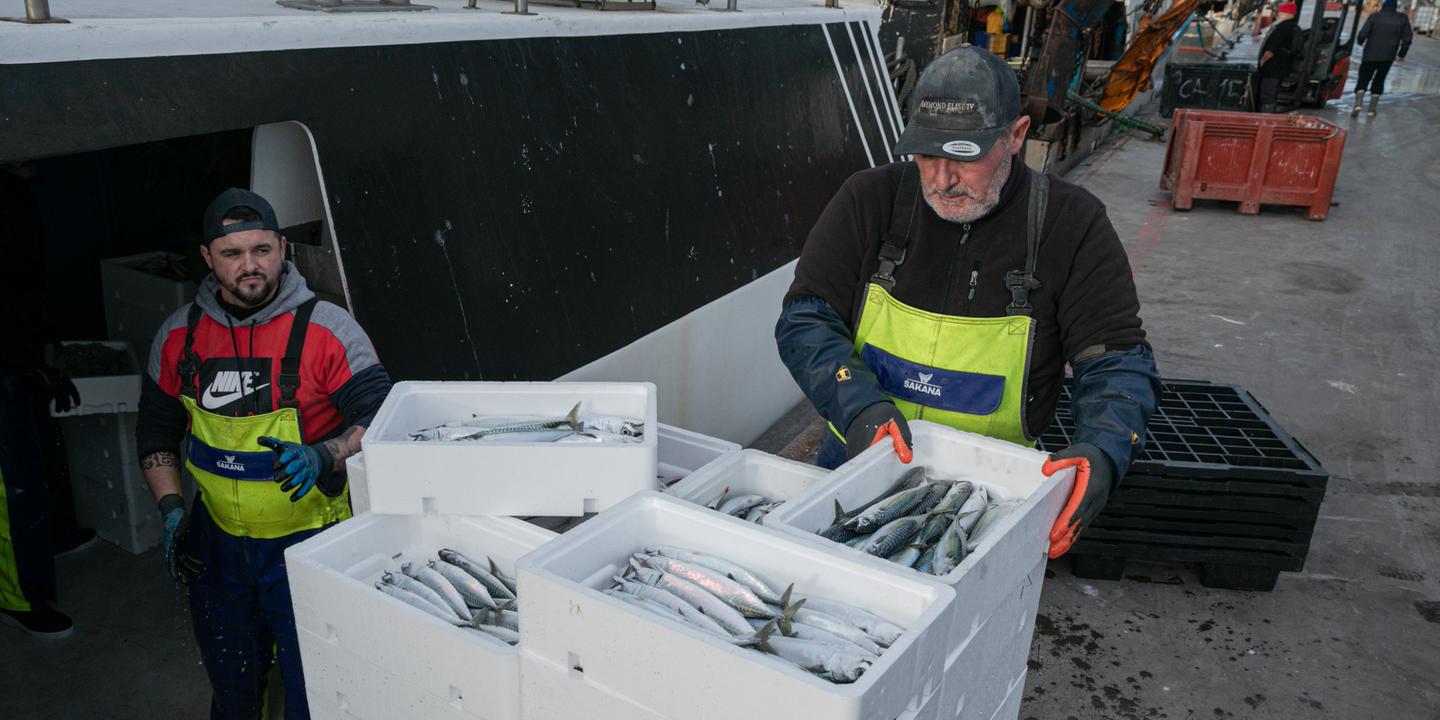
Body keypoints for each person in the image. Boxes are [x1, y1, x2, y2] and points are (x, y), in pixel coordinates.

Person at [774, 45, 1161, 556]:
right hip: (856, 460)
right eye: (927, 154)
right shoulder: (869, 200)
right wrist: (857, 406)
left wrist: (1106, 450)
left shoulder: (1075, 225)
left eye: (964, 156)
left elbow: (1115, 361)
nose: (941, 179)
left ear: (1017, 136)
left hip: (991, 490)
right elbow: (806, 318)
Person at [135, 188, 392, 719]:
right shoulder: (180, 337)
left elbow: (384, 418)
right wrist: (171, 510)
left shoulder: (329, 329)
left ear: (281, 247)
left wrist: (327, 454)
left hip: (311, 544)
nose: (250, 266)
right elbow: (157, 432)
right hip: (216, 548)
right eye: (232, 254)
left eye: (262, 250)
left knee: (315, 695)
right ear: (207, 258)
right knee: (233, 693)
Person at [0, 161, 86, 640]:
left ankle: (55, 536)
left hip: (22, 354)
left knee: (40, 460)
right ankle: (17, 597)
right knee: (11, 485)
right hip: (5, 364)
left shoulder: (19, 192)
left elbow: (20, 290)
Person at [1353, 0, 1414, 117]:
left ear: (1383, 6)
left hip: (1369, 55)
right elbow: (1407, 39)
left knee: (1363, 79)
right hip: (1387, 57)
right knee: (1379, 80)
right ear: (1395, 7)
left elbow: (1362, 34)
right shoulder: (1402, 18)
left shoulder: (1374, 17)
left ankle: (1358, 104)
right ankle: (1371, 110)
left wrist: (1360, 42)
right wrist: (1401, 54)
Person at [1256, 2, 1303, 113]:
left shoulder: (1282, 28)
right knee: (1273, 93)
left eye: (1280, 12)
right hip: (1282, 67)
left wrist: (1262, 61)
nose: (1278, 14)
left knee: (1267, 95)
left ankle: (1266, 118)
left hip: (1273, 68)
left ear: (1287, 13)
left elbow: (1271, 50)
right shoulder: (1293, 27)